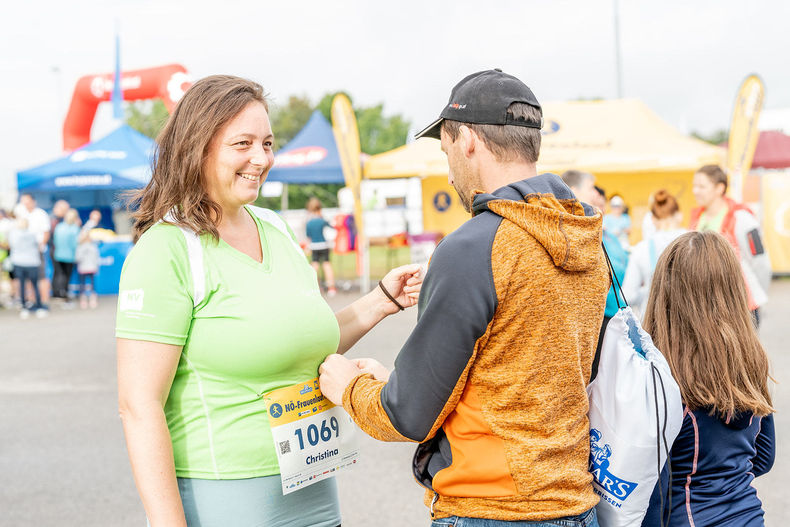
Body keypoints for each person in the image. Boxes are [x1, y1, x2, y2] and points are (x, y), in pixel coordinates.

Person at [115, 75, 422, 527]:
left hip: (314, 489)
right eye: (243, 144)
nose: (261, 159)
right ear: (198, 147)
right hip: (226, 500)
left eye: (267, 143)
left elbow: (302, 341)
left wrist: (379, 301)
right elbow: (138, 405)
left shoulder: (273, 227)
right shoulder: (167, 250)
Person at [318, 69, 608, 526]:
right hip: (574, 502)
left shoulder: (475, 247)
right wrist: (392, 379)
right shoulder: (586, 238)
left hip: (490, 508)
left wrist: (348, 387)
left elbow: (407, 416)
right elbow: (517, 373)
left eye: (445, 146)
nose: (447, 164)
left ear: (468, 139)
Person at [640, 231, 775, 526]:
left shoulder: (660, 376)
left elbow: (653, 491)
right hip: (749, 516)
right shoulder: (751, 362)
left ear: (664, 293)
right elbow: (763, 457)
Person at [562, 171, 627, 372]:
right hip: (591, 323)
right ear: (574, 192)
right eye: (591, 189)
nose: (596, 195)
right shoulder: (568, 233)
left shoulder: (601, 232)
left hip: (612, 317)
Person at [691, 164, 771, 325]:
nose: (695, 191)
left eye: (701, 186)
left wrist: (752, 295)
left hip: (741, 305)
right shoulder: (697, 219)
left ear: (719, 188)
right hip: (708, 307)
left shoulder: (741, 218)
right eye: (694, 186)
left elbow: (760, 263)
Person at [621, 189, 686, 318]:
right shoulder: (695, 241)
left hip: (654, 324)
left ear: (653, 219)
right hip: (691, 322)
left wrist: (646, 292)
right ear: (679, 215)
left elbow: (627, 296)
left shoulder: (642, 248)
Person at [14, 194, 51, 305]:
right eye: (23, 202)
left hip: (37, 252)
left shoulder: (41, 214)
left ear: (33, 201)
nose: (25, 204)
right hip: (24, 253)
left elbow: (46, 232)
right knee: (27, 279)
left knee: (41, 277)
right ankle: (31, 300)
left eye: (27, 201)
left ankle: (43, 301)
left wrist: (40, 247)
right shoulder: (22, 214)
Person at [8, 217, 48, 318]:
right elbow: (39, 245)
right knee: (35, 285)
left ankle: (24, 307)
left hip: (19, 262)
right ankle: (39, 306)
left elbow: (11, 245)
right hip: (32, 262)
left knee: (21, 285)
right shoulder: (32, 234)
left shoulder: (13, 234)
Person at [305, 197, 337, 296]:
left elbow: (308, 237)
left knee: (314, 266)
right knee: (327, 265)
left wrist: (307, 247)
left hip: (314, 246)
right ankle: (331, 288)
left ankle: (315, 287)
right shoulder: (322, 220)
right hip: (324, 245)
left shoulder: (309, 223)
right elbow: (333, 228)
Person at [52, 208, 81, 304]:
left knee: (58, 274)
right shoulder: (75, 228)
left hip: (58, 254)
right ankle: (64, 293)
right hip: (69, 256)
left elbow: (55, 240)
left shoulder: (59, 226)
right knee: (66, 275)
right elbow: (75, 243)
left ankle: (56, 293)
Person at [48, 199, 71, 300]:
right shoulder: (53, 220)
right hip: (57, 250)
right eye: (65, 210)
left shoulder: (55, 219)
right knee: (60, 272)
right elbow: (52, 237)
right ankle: (59, 293)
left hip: (57, 250)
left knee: (58, 272)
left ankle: (56, 293)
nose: (66, 212)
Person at [75, 224, 100, 309]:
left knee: (93, 285)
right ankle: (83, 299)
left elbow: (96, 257)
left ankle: (93, 299)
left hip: (91, 268)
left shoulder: (93, 246)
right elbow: (78, 258)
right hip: (82, 268)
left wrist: (96, 266)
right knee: (82, 285)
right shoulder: (80, 247)